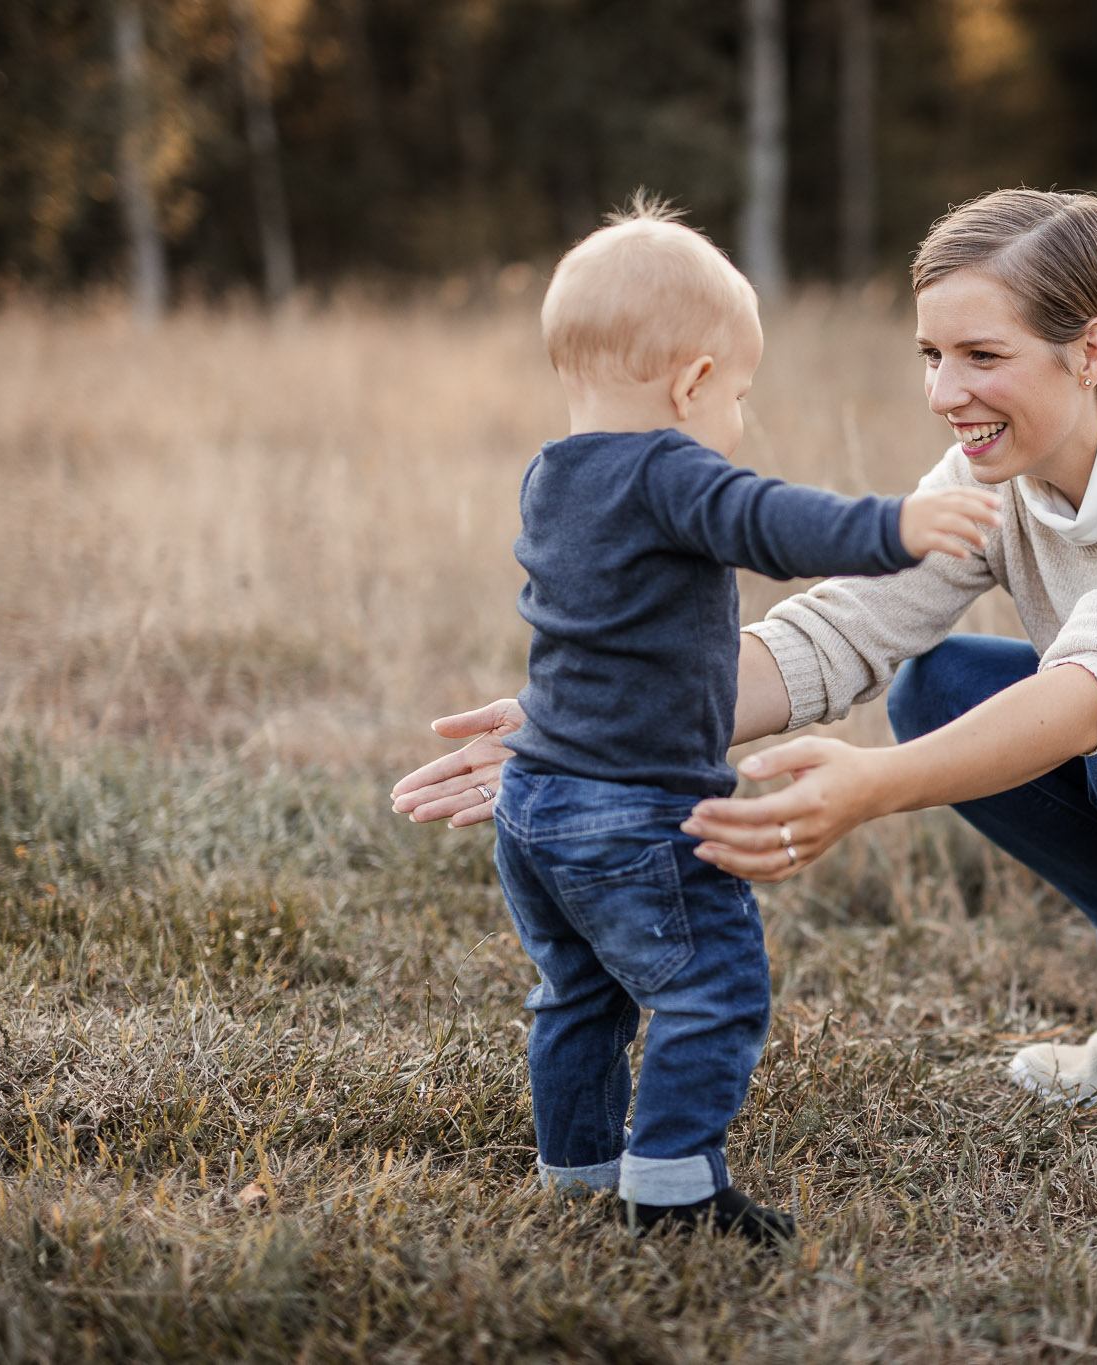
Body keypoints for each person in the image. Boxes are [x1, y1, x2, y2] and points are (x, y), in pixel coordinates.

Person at [395, 188, 1097, 1147]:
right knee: (939, 681)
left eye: (982, 356)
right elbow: (842, 635)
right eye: (932, 355)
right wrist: (577, 727)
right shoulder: (996, 467)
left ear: (1090, 349)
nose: (944, 392)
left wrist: (874, 786)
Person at [392, 200, 1000, 1244]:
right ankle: (672, 1190)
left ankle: (576, 1169)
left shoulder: (554, 475)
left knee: (577, 992)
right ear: (691, 384)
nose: (740, 420)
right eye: (741, 394)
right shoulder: (672, 471)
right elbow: (770, 521)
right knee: (712, 992)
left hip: (533, 802)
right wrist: (896, 525)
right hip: (635, 813)